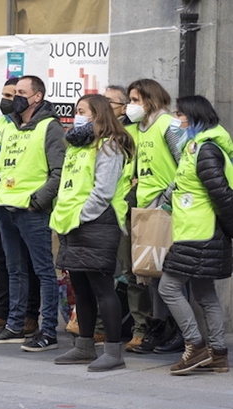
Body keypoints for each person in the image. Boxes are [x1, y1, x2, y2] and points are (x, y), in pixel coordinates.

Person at [51, 94, 136, 371]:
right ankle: (84, 346)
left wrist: (82, 216)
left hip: (96, 223)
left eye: (82, 110)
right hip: (73, 225)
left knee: (102, 290)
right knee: (82, 289)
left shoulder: (110, 146)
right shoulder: (78, 146)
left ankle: (113, 352)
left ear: (98, 114)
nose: (77, 115)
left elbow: (104, 190)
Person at [0, 75, 65, 351]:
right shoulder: (13, 126)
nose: (14, 97)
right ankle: (15, 326)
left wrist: (37, 201)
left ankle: (48, 330)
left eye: (21, 92)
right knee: (15, 269)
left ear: (37, 97)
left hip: (30, 209)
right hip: (5, 205)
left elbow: (58, 171)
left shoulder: (49, 127)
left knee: (42, 270)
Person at [158, 95, 233, 374]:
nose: (177, 120)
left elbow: (222, 195)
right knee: (204, 292)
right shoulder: (196, 146)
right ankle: (218, 353)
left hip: (200, 233)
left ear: (195, 116)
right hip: (196, 230)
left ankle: (195, 346)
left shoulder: (207, 149)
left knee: (169, 287)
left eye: (181, 115)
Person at [0, 77, 41, 337]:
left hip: (24, 201)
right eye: (4, 94)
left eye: (13, 95)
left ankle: (29, 316)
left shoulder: (33, 125)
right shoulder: (0, 123)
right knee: (3, 259)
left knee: (29, 262)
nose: (7, 100)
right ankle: (2, 312)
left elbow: (21, 159)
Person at [125, 79, 186, 355]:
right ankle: (161, 327)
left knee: (169, 275)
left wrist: (168, 198)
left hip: (165, 209)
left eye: (136, 100)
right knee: (151, 273)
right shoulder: (139, 129)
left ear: (150, 100)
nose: (131, 105)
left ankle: (179, 331)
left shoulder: (167, 125)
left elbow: (186, 162)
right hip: (144, 208)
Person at [103, 84, 152, 349]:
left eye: (111, 102)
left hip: (132, 211)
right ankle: (101, 328)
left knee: (134, 274)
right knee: (108, 272)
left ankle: (141, 329)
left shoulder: (139, 132)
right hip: (108, 210)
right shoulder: (112, 133)